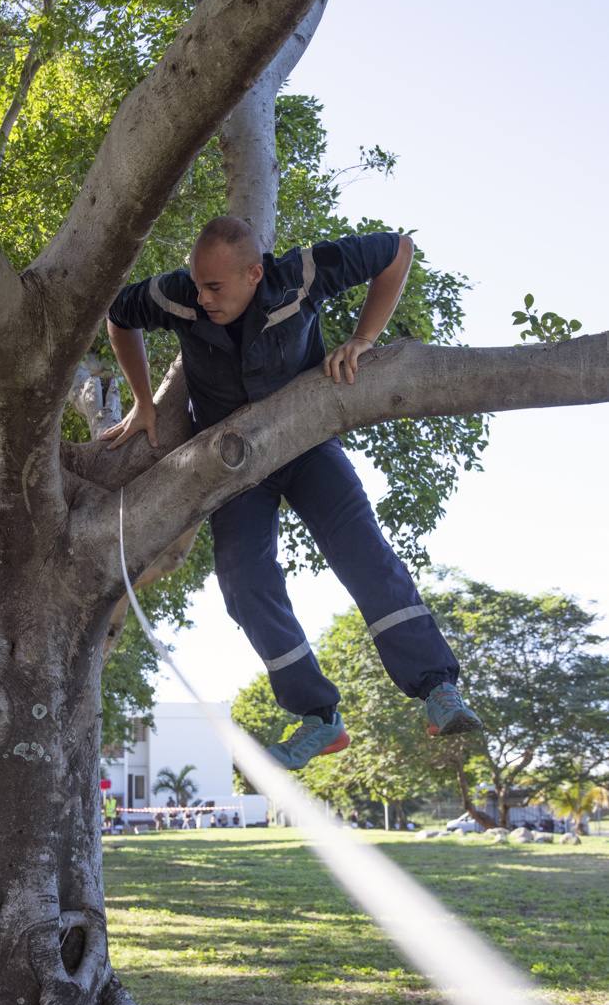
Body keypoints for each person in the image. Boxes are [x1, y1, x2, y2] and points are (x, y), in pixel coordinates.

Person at [104, 217, 482, 770]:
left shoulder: (301, 276)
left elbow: (397, 251)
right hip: (235, 466)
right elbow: (118, 316)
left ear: (256, 273)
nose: (203, 298)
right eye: (197, 283)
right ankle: (319, 718)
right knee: (244, 585)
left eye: (216, 287)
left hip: (307, 444)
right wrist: (143, 400)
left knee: (363, 555)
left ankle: (437, 689)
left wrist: (363, 339)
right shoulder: (176, 296)